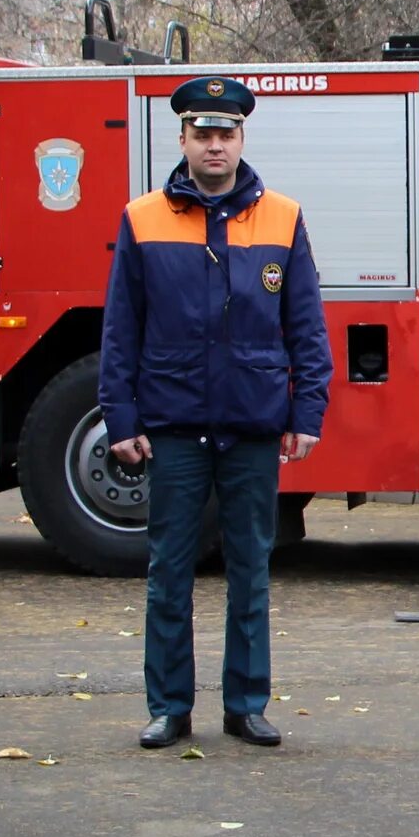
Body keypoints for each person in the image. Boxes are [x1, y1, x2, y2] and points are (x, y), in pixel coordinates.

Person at [100, 76, 330, 751]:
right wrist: (121, 418)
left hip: (253, 424)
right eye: (202, 134)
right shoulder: (143, 218)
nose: (214, 145)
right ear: (182, 139)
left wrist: (307, 411)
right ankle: (169, 707)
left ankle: (246, 704)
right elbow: (121, 330)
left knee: (250, 569)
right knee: (169, 569)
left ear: (241, 140)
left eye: (225, 134)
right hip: (173, 425)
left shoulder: (282, 218)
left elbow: (307, 325)